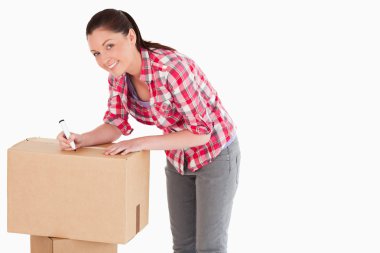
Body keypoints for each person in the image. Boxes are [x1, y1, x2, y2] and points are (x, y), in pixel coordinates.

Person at [57, 8, 240, 253]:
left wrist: (140, 143)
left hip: (215, 153)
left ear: (131, 37)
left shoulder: (171, 68)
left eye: (109, 46)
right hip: (178, 157)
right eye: (96, 53)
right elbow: (115, 124)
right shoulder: (118, 77)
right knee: (183, 245)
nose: (103, 59)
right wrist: (82, 139)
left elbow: (202, 132)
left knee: (209, 247)